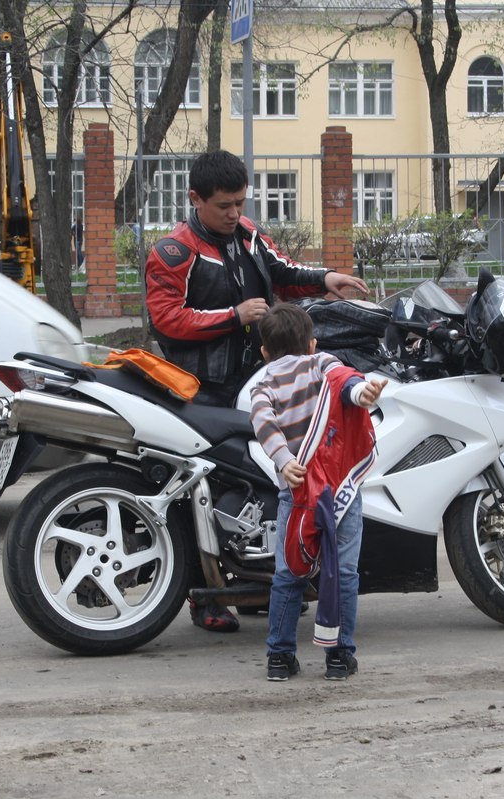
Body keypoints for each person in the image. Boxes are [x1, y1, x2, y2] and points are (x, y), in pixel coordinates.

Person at [146, 149, 368, 633]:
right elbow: (164, 319)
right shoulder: (174, 251)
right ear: (195, 199)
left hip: (254, 381)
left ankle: (258, 583)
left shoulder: (248, 235)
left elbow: (285, 270)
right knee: (196, 494)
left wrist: (326, 279)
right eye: (224, 205)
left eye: (239, 203)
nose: (233, 213)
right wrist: (231, 316)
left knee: (263, 485)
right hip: (200, 390)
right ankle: (203, 600)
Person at [248, 303, 386, 681]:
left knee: (289, 572)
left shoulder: (262, 384)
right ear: (311, 344)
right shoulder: (321, 364)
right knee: (343, 571)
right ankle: (340, 658)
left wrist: (282, 459)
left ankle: (279, 657)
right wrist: (363, 393)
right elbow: (346, 382)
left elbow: (262, 422)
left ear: (264, 352)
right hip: (337, 490)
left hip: (296, 493)